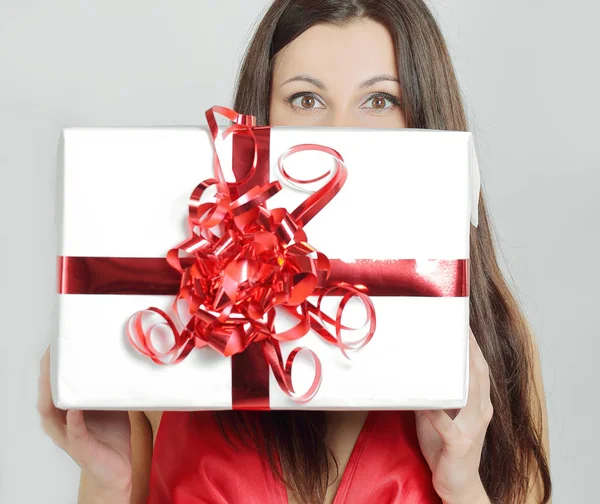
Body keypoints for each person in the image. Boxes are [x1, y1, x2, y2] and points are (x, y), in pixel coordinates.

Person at [37, 1, 552, 503]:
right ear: (260, 117)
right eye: (306, 99)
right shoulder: (173, 331)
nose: (341, 135)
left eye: (379, 100)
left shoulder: (495, 345)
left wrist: (462, 489)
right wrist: (108, 484)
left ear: (424, 116)